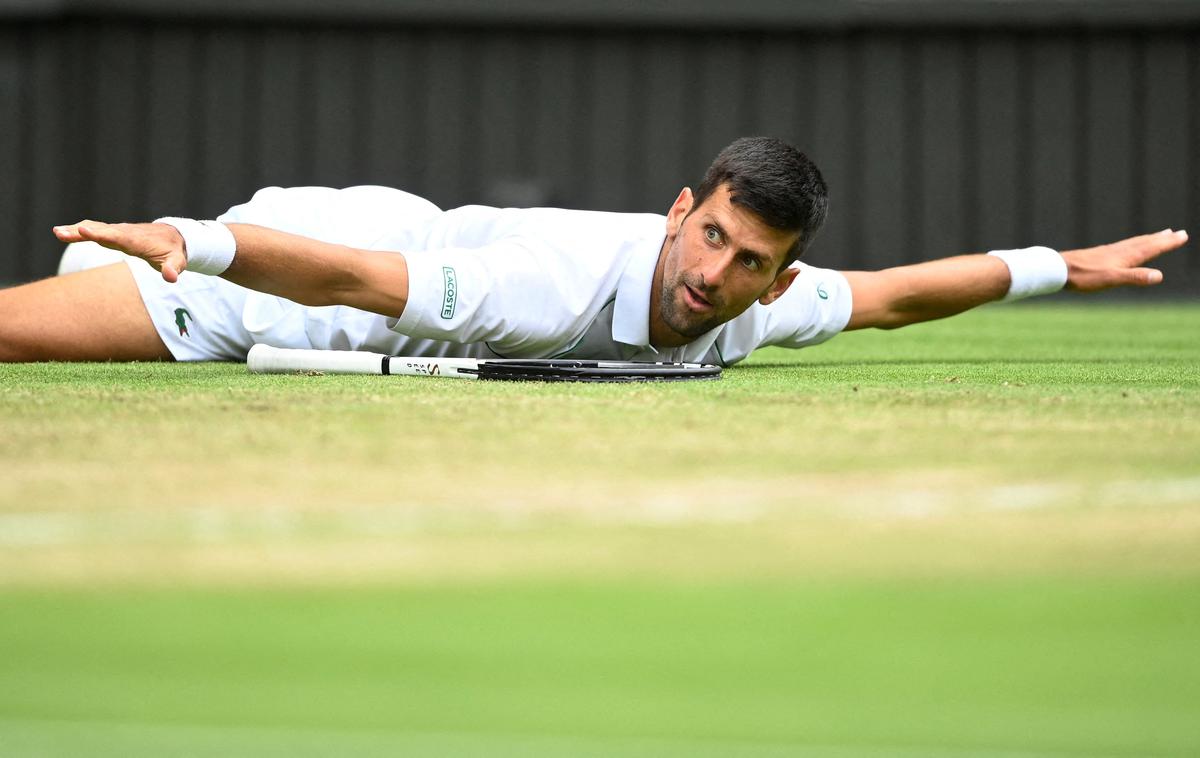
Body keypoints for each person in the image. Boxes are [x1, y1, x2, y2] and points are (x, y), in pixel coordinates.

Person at [0, 137, 1188, 364]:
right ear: (679, 210)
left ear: (777, 277)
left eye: (747, 263)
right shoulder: (548, 282)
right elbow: (356, 280)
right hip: (269, 285)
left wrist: (1060, 266)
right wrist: (193, 246)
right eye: (709, 234)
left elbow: (889, 295)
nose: (711, 275)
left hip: (384, 235)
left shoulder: (760, 302)